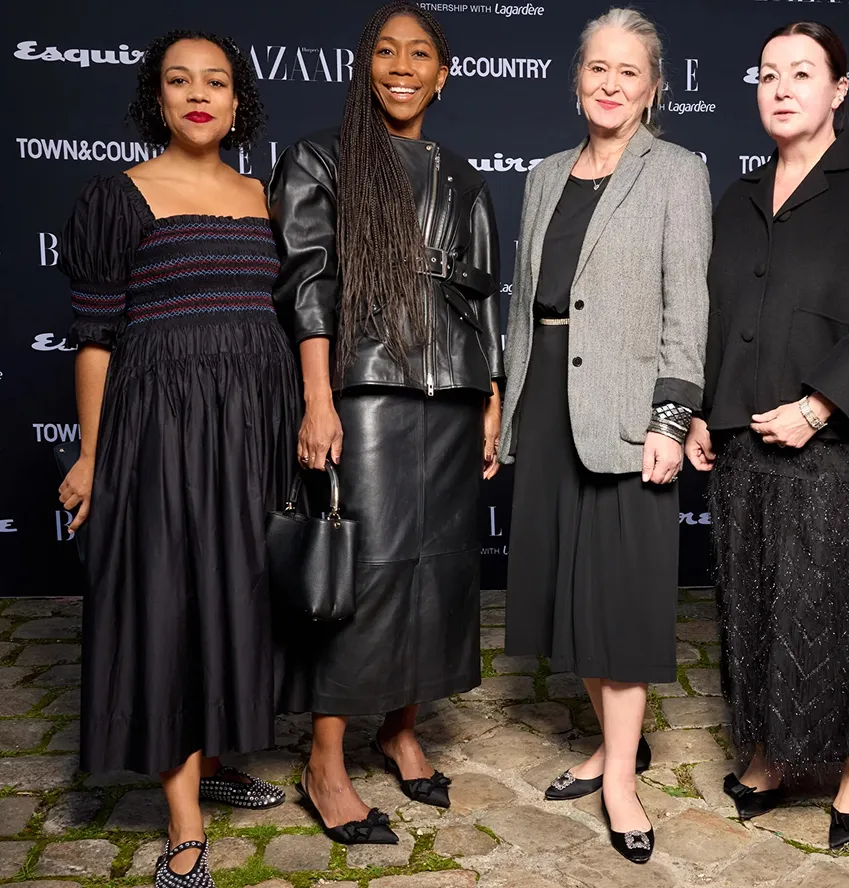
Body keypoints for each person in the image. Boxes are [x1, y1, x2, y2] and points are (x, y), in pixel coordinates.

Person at [56, 31, 298, 888]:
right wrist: (91, 455)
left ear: (239, 102)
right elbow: (94, 340)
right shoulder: (116, 197)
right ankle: (185, 825)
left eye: (218, 82)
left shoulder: (266, 195)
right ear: (156, 97)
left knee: (240, 599)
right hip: (160, 431)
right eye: (179, 81)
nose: (199, 94)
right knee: (170, 607)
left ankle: (217, 759)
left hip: (255, 431)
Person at [267, 2, 503, 846]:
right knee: (360, 571)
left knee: (435, 571)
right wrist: (318, 397)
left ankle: (401, 729)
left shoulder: (463, 175)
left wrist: (492, 394)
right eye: (385, 51)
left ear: (443, 75)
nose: (402, 65)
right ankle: (325, 762)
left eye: (421, 54)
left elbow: (482, 299)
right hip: (363, 388)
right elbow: (307, 283)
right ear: (365, 67)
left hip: (452, 394)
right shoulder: (318, 158)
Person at [686, 21, 849, 850]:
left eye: (802, 73)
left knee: (840, 599)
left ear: (838, 90)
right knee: (753, 596)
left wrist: (820, 406)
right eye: (769, 75)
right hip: (744, 433)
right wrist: (703, 413)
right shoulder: (739, 196)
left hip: (835, 437)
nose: (781, 88)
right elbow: (714, 315)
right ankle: (774, 751)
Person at [499, 7, 711, 865]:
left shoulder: (677, 171)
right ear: (576, 79)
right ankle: (609, 744)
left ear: (654, 87)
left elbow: (686, 304)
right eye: (598, 69)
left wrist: (670, 417)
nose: (611, 84)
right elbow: (523, 306)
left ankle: (621, 779)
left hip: (630, 412)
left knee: (619, 603)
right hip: (548, 403)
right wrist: (507, 410)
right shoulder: (546, 175)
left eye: (629, 71)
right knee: (568, 594)